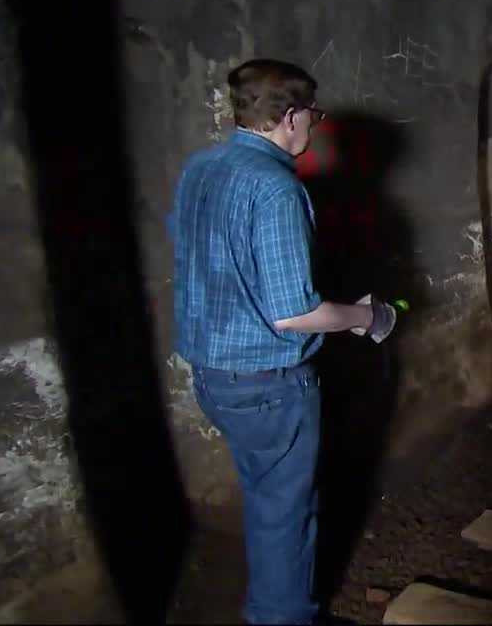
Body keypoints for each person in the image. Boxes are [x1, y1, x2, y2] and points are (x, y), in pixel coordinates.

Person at [168, 58, 397, 624]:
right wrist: (366, 318)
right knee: (284, 511)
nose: (314, 127)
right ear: (290, 116)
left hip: (211, 375)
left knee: (267, 497)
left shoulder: (200, 168)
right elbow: (294, 314)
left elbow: (204, 259)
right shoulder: (276, 190)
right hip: (267, 385)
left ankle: (276, 604)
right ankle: (281, 617)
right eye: (312, 116)